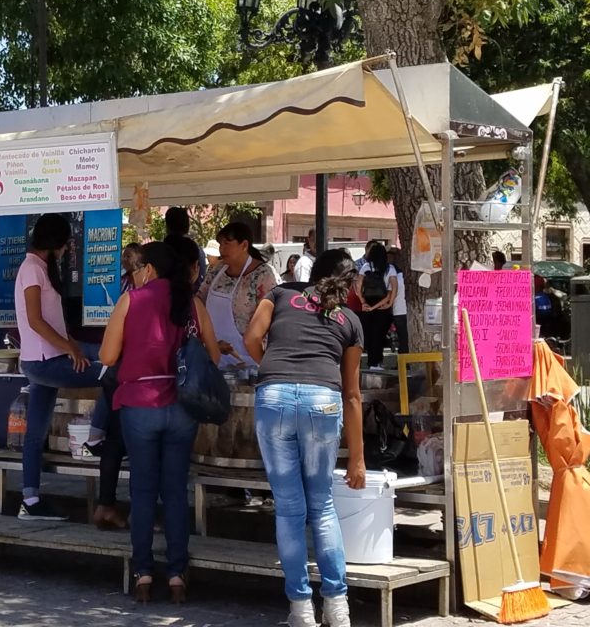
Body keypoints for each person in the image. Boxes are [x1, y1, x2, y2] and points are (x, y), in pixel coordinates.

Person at [244, 249, 366, 627]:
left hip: (274, 397)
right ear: (348, 285)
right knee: (323, 506)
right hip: (323, 402)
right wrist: (358, 458)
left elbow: (252, 337)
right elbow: (352, 394)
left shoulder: (279, 296)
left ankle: (300, 611)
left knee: (289, 508)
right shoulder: (349, 320)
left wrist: (270, 365)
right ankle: (337, 607)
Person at [99, 241, 220, 604]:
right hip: (182, 407)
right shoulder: (191, 303)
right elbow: (213, 354)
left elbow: (107, 355)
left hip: (139, 406)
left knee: (142, 491)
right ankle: (178, 575)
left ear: (148, 268)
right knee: (175, 491)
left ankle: (144, 573)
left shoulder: (130, 301)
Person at [15, 213, 103, 521]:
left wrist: (73, 344)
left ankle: (30, 500)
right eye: (66, 243)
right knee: (112, 375)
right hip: (43, 362)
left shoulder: (41, 269)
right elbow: (35, 320)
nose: (67, 249)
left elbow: (54, 322)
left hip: (49, 359)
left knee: (35, 434)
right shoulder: (31, 269)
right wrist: (70, 349)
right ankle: (95, 440)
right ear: (54, 242)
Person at [198, 222, 277, 374]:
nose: (222, 249)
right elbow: (199, 300)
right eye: (221, 244)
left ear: (244, 245)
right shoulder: (217, 270)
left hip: (249, 361)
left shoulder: (262, 275)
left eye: (227, 243)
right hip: (215, 356)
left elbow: (270, 321)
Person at [355, 242, 398, 370]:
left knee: (369, 333)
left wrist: (363, 301)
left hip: (368, 304)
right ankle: (377, 361)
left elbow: (358, 285)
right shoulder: (390, 268)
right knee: (379, 335)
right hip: (383, 306)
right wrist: (390, 302)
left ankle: (370, 361)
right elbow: (394, 287)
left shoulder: (366, 266)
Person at [164, 207, 208, 290]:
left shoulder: (161, 250)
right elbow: (200, 277)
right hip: (189, 294)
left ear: (167, 225)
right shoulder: (195, 249)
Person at [386, 247, 408, 353]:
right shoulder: (403, 276)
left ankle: (403, 360)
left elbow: (390, 294)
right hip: (401, 309)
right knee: (403, 337)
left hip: (398, 310)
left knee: (402, 337)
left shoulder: (395, 277)